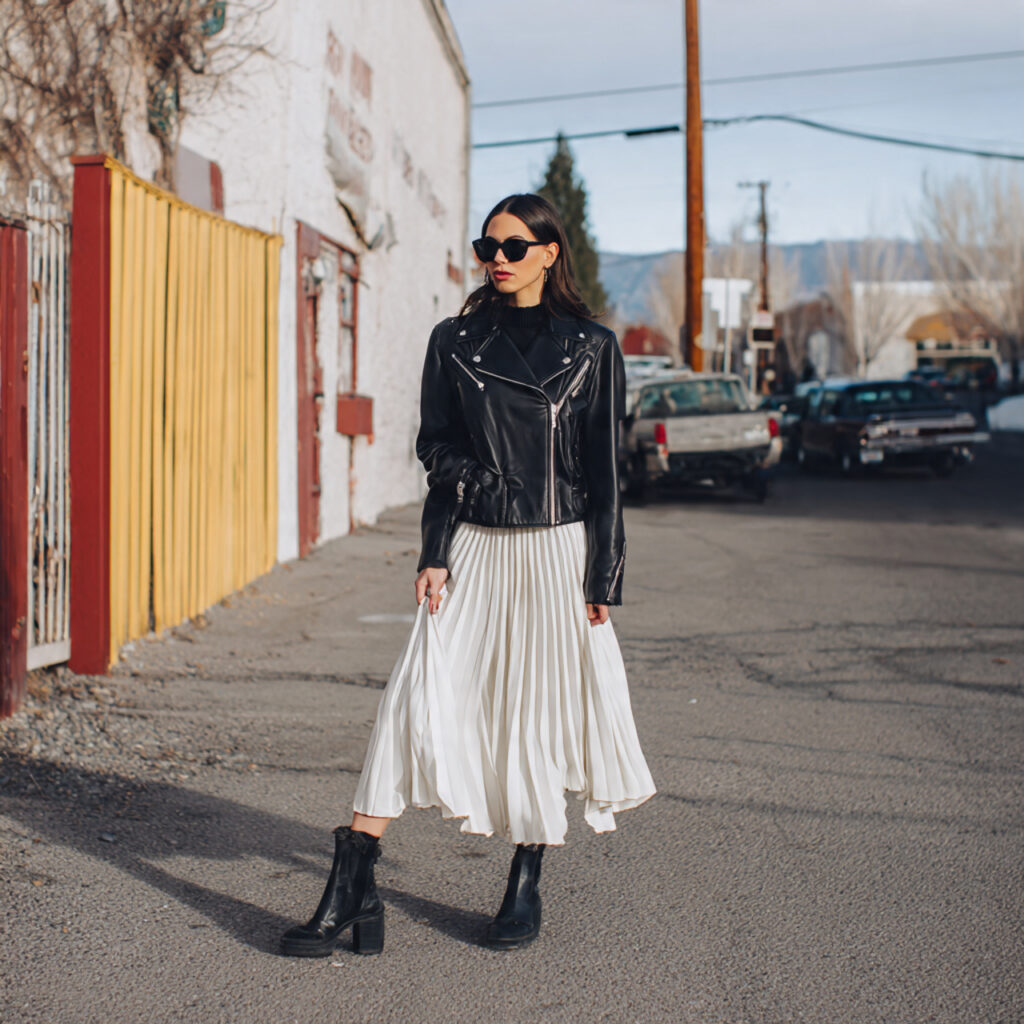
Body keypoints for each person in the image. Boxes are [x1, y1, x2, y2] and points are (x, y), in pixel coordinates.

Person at [279, 193, 656, 958]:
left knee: (536, 714)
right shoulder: (453, 340)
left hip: (556, 547)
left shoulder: (592, 347)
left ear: (551, 253)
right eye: (489, 244)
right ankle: (353, 878)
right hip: (476, 543)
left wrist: (602, 577)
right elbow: (435, 446)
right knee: (414, 698)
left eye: (516, 246)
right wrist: (435, 546)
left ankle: (525, 875)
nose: (499, 257)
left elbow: (606, 473)